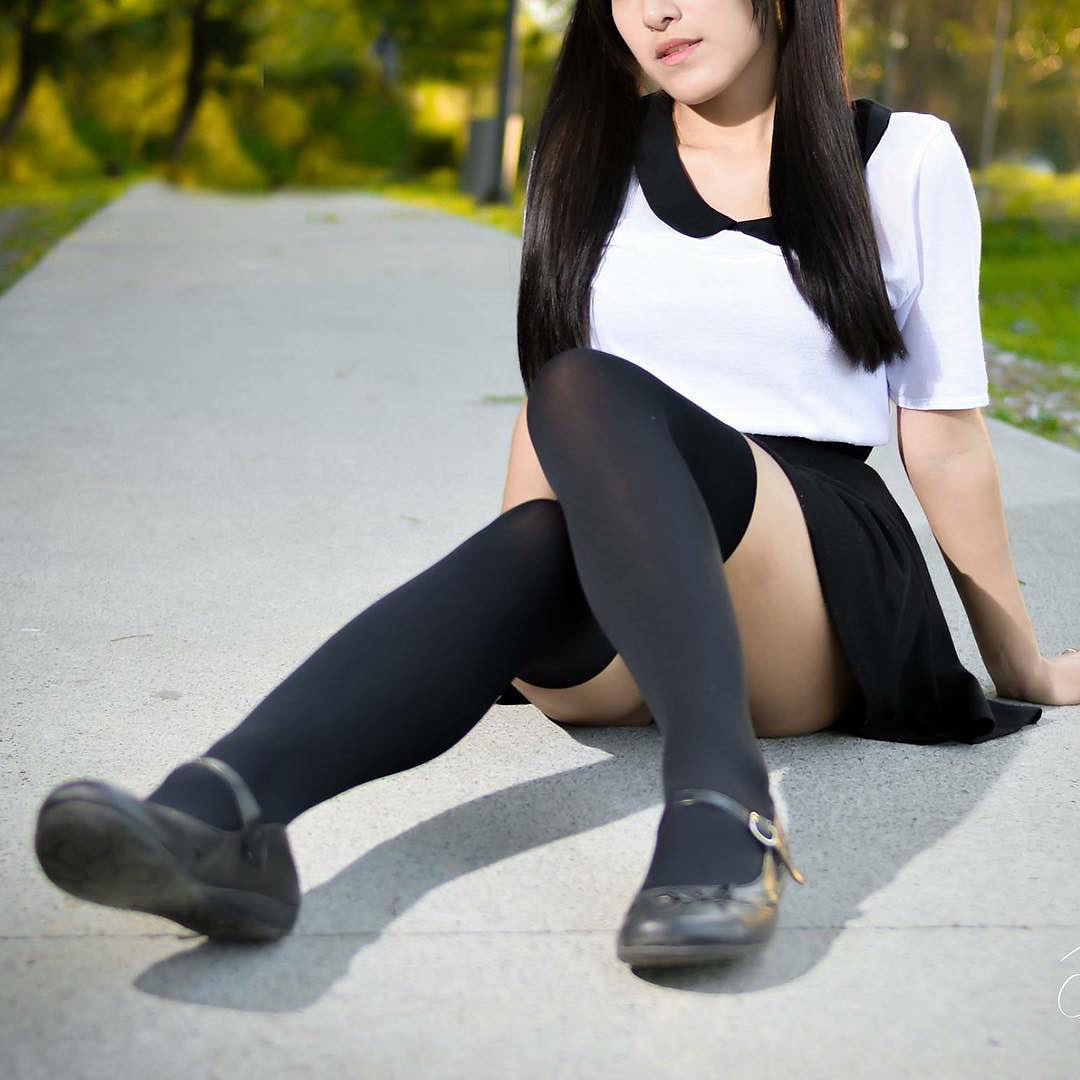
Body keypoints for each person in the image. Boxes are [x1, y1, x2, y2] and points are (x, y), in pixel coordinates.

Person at [33, 0, 1079, 970]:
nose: (654, 12)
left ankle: (724, 804)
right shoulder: (584, 155)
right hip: (625, 562)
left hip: (805, 580)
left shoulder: (903, 157)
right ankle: (220, 814)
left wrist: (1018, 663)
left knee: (586, 385)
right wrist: (519, 599)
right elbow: (554, 423)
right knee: (565, 432)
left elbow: (942, 435)